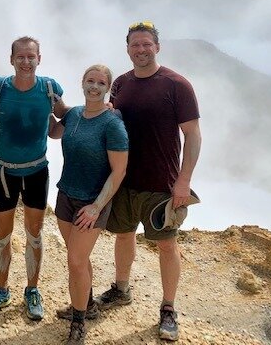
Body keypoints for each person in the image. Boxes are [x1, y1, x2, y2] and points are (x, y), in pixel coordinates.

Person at [96, 22, 201, 342]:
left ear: (157, 47)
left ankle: (168, 308)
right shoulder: (122, 84)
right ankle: (121, 289)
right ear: (127, 49)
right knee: (123, 236)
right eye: (135, 45)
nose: (141, 50)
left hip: (162, 183)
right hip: (124, 180)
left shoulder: (176, 84)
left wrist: (183, 182)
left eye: (146, 44)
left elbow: (193, 135)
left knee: (167, 244)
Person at [0, 36, 68, 321]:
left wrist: (94, 115)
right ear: (11, 59)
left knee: (34, 234)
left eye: (31, 57)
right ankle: (1, 290)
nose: (26, 62)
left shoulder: (50, 89)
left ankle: (32, 290)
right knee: (2, 235)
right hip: (4, 172)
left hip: (37, 170)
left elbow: (64, 119)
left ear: (39, 59)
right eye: (20, 57)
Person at [48, 65, 128, 345]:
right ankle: (88, 303)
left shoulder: (112, 124)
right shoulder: (74, 115)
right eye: (90, 81)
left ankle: (79, 321)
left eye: (101, 83)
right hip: (66, 195)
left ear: (108, 88)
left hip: (92, 202)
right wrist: (40, 101)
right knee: (78, 258)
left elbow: (119, 171)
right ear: (82, 83)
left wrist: (96, 207)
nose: (94, 87)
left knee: (76, 261)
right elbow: (54, 132)